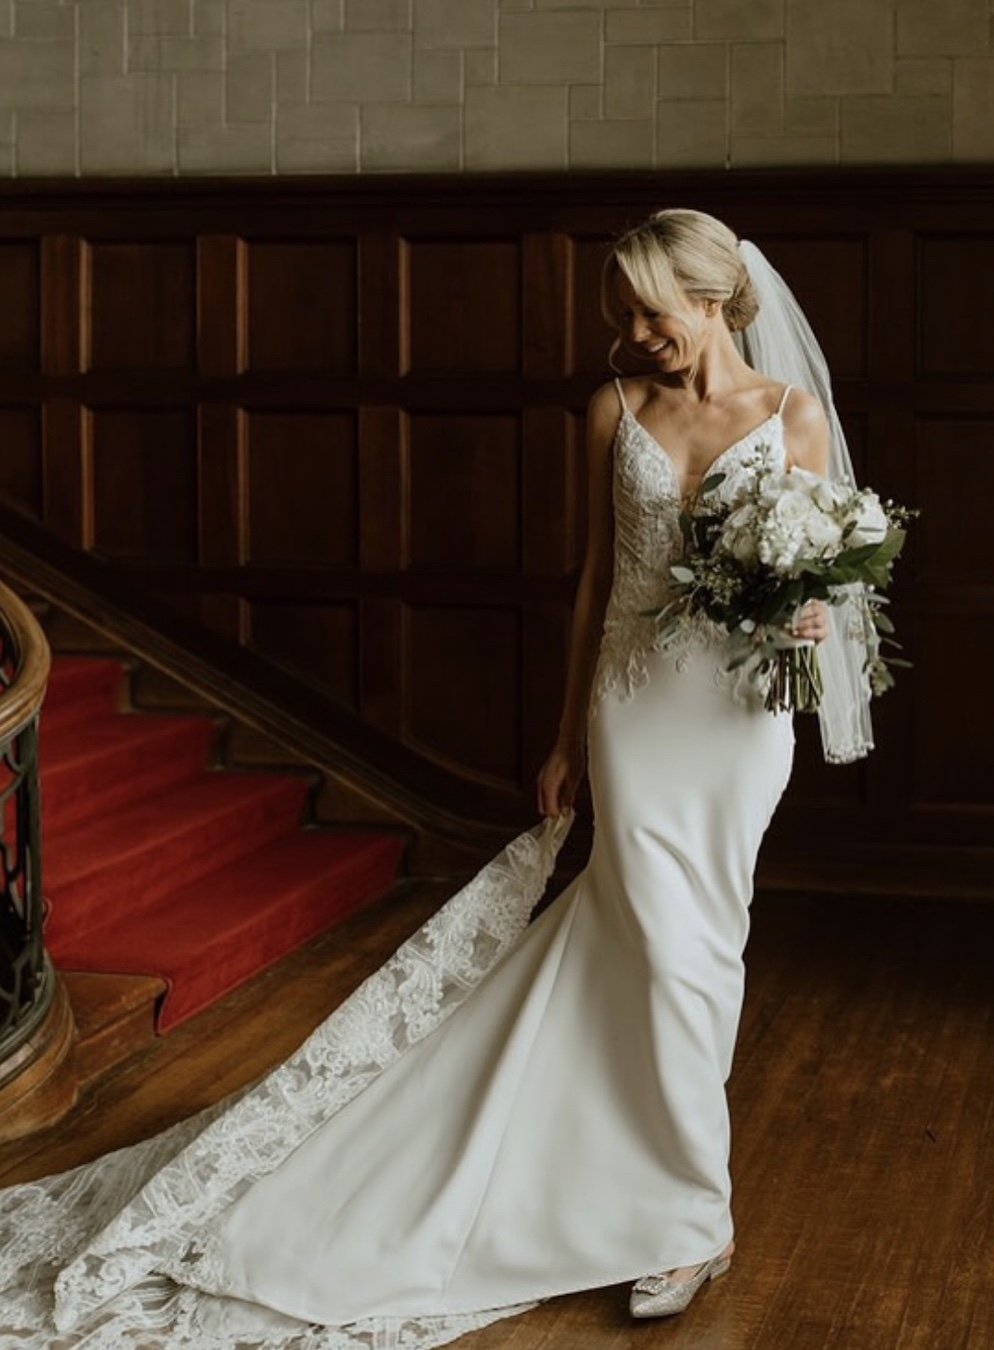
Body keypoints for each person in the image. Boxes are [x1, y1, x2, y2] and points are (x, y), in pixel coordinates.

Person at [0, 209, 871, 1350]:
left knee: (693, 951)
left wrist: (810, 619)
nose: (632, 335)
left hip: (734, 723)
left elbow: (823, 580)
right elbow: (598, 580)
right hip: (632, 704)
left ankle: (668, 1200)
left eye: (648, 313)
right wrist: (567, 735)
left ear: (710, 301)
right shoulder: (612, 409)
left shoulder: (791, 416)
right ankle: (686, 1211)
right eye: (620, 315)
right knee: (658, 946)